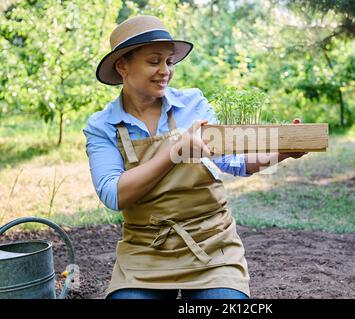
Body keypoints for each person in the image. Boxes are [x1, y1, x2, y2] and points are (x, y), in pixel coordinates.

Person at [83, 15, 306, 299]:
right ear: (122, 66)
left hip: (211, 245)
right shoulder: (103, 126)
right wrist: (174, 153)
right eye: (154, 61)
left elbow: (230, 161)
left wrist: (282, 152)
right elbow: (114, 194)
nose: (165, 70)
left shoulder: (192, 104)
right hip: (145, 249)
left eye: (169, 62)